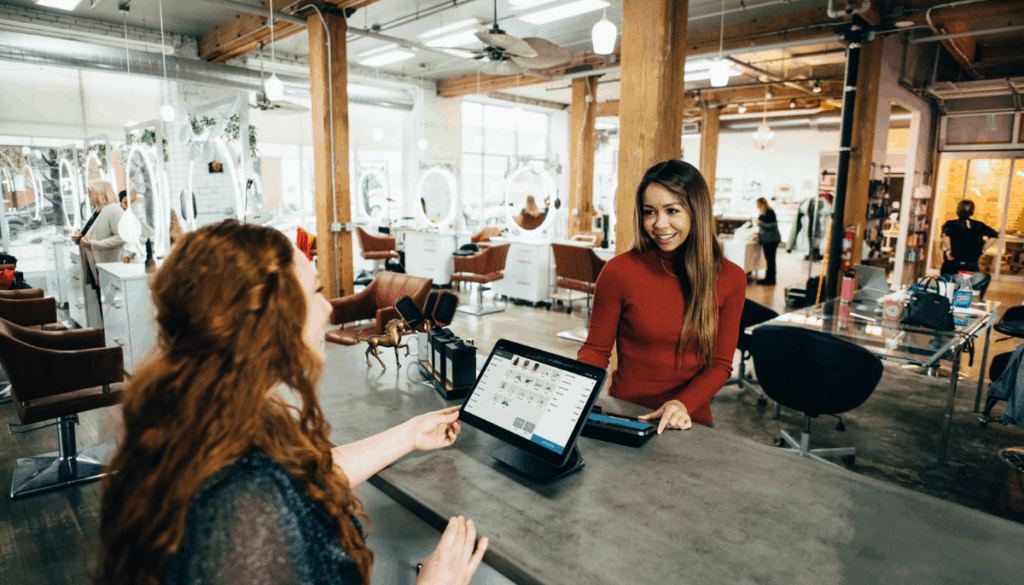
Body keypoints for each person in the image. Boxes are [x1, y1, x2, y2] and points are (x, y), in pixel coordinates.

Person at [95, 221, 487, 585]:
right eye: (315, 292)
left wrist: (408, 435)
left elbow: (300, 478)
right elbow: (273, 493)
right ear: (269, 320)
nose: (328, 308)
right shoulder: (247, 516)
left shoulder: (201, 416)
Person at [578, 160, 746, 433]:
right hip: (626, 416)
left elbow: (721, 364)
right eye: (649, 212)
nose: (659, 224)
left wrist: (681, 404)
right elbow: (596, 351)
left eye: (672, 210)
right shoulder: (619, 271)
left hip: (689, 422)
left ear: (696, 211)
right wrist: (573, 387)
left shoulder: (730, 278)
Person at [78, 181, 124, 286]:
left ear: (101, 193)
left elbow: (121, 237)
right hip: (94, 261)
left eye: (91, 190)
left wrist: (93, 244)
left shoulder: (114, 210)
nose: (88, 193)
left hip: (108, 263)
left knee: (107, 298)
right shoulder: (98, 211)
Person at [941, 199, 998, 278]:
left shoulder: (951, 224)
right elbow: (994, 235)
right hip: (972, 265)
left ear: (958, 210)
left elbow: (945, 235)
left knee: (948, 285)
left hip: (953, 263)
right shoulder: (979, 225)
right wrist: (983, 249)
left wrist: (948, 250)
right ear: (972, 211)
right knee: (970, 286)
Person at [755, 197, 781, 285]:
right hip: (768, 240)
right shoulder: (764, 212)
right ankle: (768, 278)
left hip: (771, 240)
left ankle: (771, 280)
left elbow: (772, 226)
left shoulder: (769, 212)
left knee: (770, 260)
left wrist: (760, 224)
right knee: (769, 260)